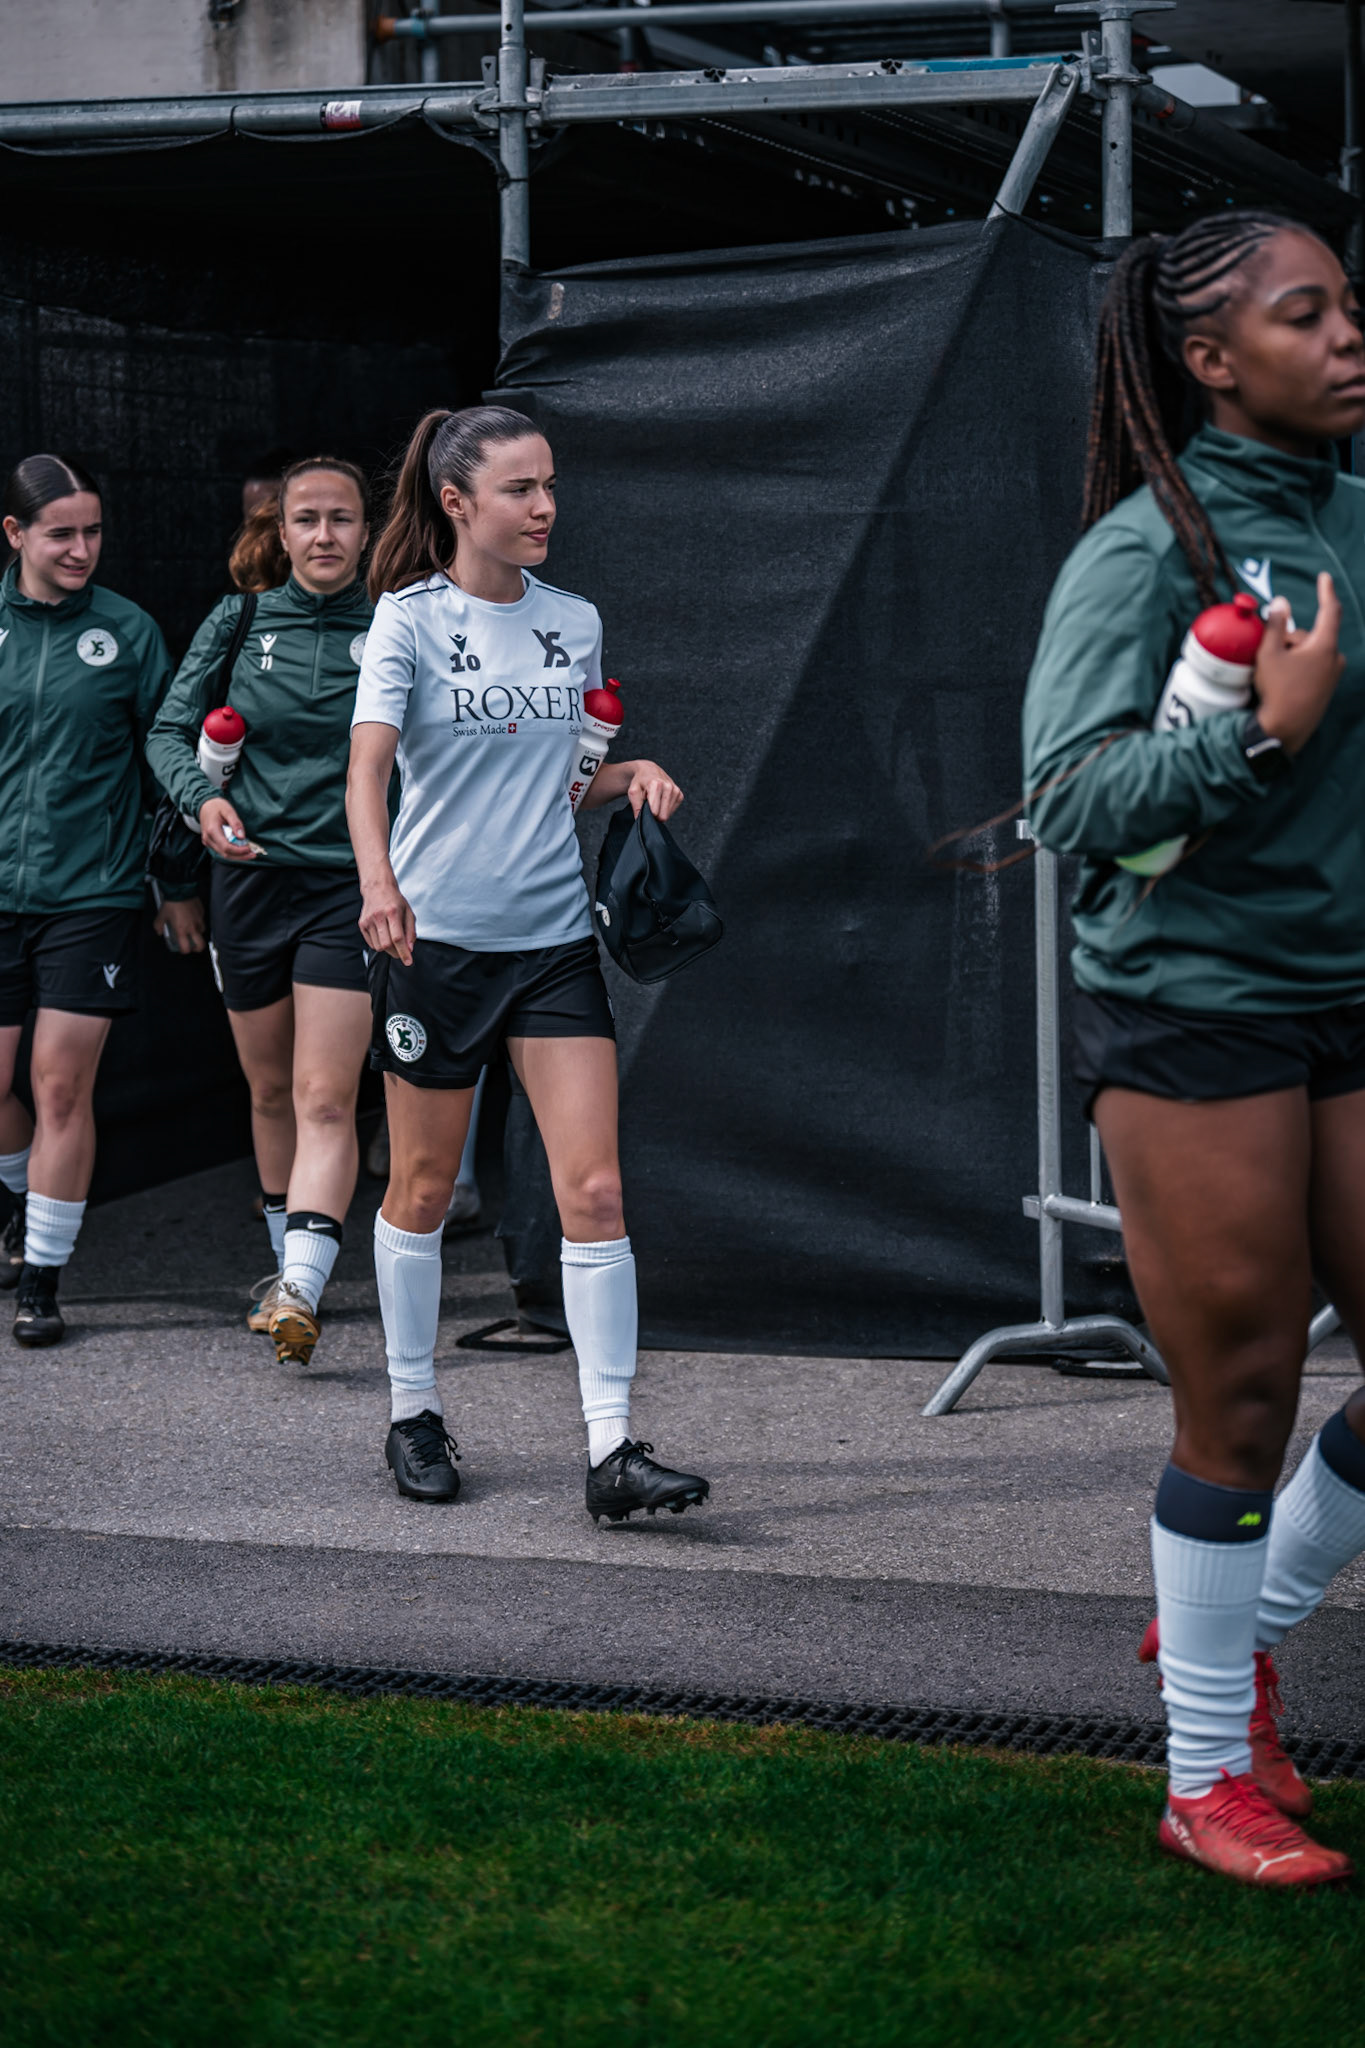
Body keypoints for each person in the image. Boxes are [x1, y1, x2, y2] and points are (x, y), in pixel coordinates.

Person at [1023, 210, 1365, 1888]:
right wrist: (1266, 738)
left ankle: (1239, 1620)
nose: (1351, 335)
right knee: (1240, 1397)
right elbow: (1071, 803)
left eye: (1351, 307)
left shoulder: (1359, 518)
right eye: (1309, 316)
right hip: (1192, 999)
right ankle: (1207, 1767)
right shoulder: (1147, 549)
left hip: (1352, 986)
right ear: (1214, 361)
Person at [347, 404, 711, 1517]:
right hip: (435, 942)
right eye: (520, 489)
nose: (545, 506)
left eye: (550, 484)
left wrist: (630, 771)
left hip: (554, 943)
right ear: (458, 503)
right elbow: (369, 776)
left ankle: (612, 1451)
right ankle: (414, 1413)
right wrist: (378, 885)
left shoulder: (575, 620)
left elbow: (560, 782)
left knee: (595, 1189)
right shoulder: (406, 620)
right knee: (416, 1186)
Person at [147, 457, 374, 1366]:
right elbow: (168, 730)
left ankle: (304, 1285)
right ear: (279, 534)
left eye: (343, 520)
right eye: (307, 520)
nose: (325, 536)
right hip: (248, 883)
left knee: (326, 1094)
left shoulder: (398, 623)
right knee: (271, 1088)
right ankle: (286, 1274)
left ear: (368, 530)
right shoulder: (239, 619)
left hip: (348, 887)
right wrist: (202, 805)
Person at [0, 453, 203, 1343]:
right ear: (15, 535)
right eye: (61, 534)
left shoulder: (127, 631)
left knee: (58, 1083)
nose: (82, 549)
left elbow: (168, 755)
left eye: (92, 532)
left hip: (94, 890)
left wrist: (174, 882)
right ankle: (22, 1209)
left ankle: (42, 1280)